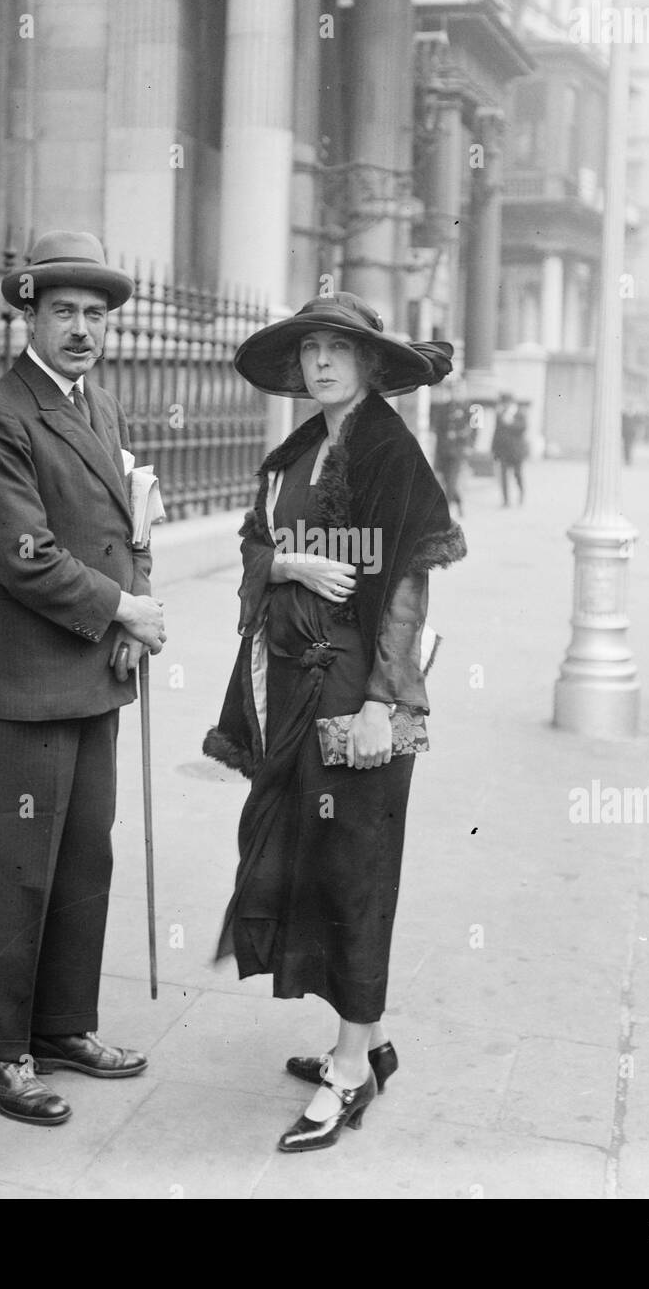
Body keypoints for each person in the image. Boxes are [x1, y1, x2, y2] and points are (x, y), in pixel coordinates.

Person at [202, 292, 466, 1152]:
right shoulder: (297, 452)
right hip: (296, 689)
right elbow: (251, 546)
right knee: (312, 859)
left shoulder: (389, 451)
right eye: (309, 348)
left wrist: (388, 704)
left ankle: (350, 1071)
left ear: (370, 361)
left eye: (338, 348)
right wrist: (288, 561)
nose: (320, 362)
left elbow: (407, 589)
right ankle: (370, 1039)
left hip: (358, 692)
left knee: (355, 865)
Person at [0, 231, 167, 1126]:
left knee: (84, 859)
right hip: (29, 685)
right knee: (17, 872)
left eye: (97, 316)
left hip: (94, 671)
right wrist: (120, 607)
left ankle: (65, 1026)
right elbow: (25, 556)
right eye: (66, 312)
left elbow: (130, 527)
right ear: (30, 314)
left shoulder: (99, 406)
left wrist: (133, 611)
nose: (83, 329)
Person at [431, 375, 474, 516]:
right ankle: (459, 502)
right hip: (444, 450)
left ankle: (446, 512)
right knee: (446, 479)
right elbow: (438, 431)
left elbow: (476, 430)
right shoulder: (443, 408)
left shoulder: (473, 408)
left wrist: (470, 446)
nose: (457, 392)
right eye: (454, 390)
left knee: (451, 480)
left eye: (460, 389)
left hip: (459, 449)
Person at [491, 391, 527, 505]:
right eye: (504, 403)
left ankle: (521, 494)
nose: (505, 405)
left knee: (517, 474)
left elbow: (523, 427)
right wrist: (494, 449)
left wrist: (510, 423)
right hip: (503, 451)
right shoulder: (500, 414)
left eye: (507, 402)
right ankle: (506, 500)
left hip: (516, 451)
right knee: (503, 477)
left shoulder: (519, 413)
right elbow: (496, 432)